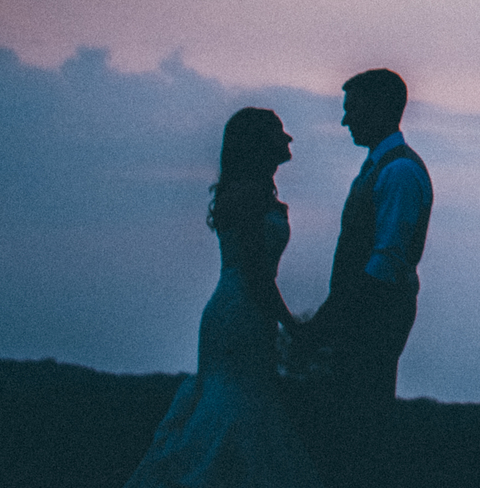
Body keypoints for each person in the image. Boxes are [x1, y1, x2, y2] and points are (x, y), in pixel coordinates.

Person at [124, 107, 323, 487]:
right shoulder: (250, 193)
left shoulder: (251, 190)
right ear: (259, 145)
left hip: (244, 312)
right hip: (240, 313)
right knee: (236, 408)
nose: (288, 139)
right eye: (279, 132)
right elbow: (254, 272)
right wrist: (290, 324)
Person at [294, 68, 432, 487]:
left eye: (351, 110)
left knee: (360, 431)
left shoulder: (400, 172)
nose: (344, 121)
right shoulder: (380, 167)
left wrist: (332, 318)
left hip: (373, 319)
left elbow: (386, 261)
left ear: (380, 108)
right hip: (364, 315)